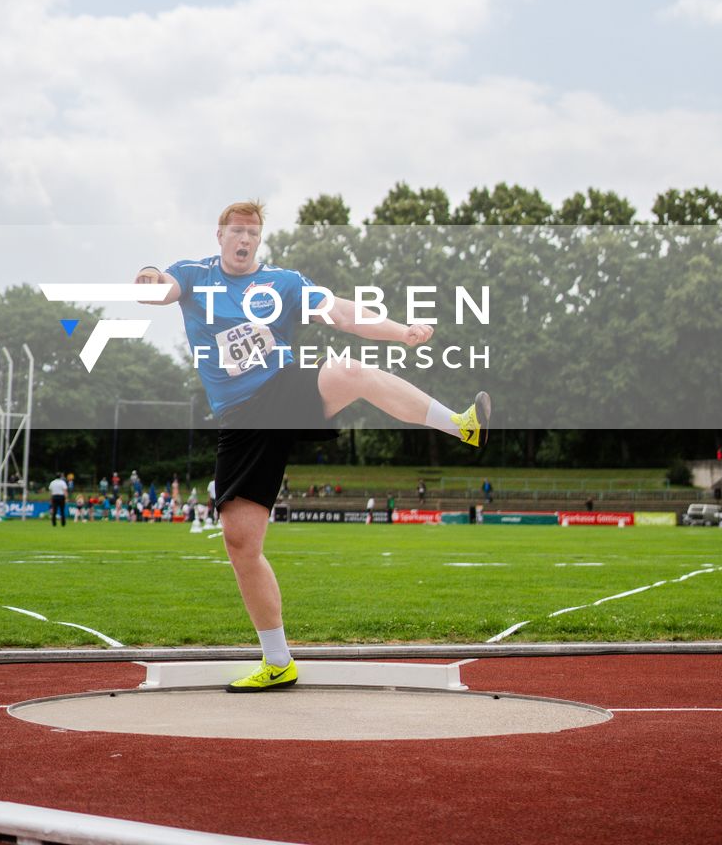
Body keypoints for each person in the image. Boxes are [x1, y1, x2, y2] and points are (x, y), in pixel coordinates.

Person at [136, 198, 490, 693]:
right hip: (240, 419)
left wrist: (402, 331)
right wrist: (150, 279)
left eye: (252, 234)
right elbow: (163, 287)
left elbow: (342, 314)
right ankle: (278, 661)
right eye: (235, 231)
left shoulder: (283, 283)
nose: (243, 240)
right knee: (241, 545)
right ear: (220, 236)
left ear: (259, 240)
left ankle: (460, 424)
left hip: (284, 389)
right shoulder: (194, 275)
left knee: (351, 370)